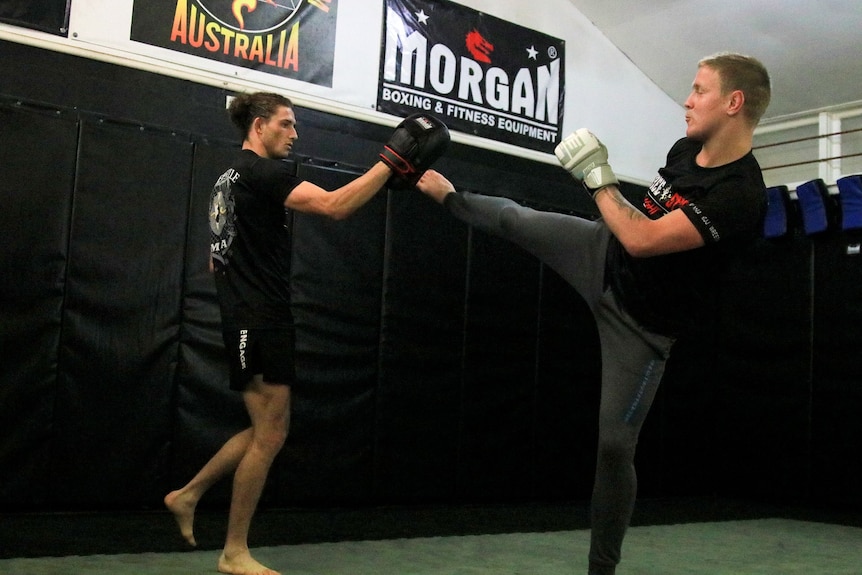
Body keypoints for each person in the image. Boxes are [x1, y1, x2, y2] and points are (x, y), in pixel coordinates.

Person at [415, 52, 771, 575]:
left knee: (613, 445)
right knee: (518, 219)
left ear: (733, 102)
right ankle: (445, 194)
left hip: (642, 327)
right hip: (601, 254)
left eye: (699, 90)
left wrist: (596, 176)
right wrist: (605, 198)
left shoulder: (741, 196)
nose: (687, 101)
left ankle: (601, 569)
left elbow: (644, 238)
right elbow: (630, 226)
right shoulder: (684, 149)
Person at [165, 92, 447, 575]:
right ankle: (234, 552)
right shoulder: (262, 172)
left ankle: (187, 495)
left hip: (249, 314)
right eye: (286, 124)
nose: (295, 134)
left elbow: (217, 256)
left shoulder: (227, 179)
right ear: (258, 126)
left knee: (263, 430)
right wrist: (390, 160)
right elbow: (336, 206)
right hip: (260, 317)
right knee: (272, 434)